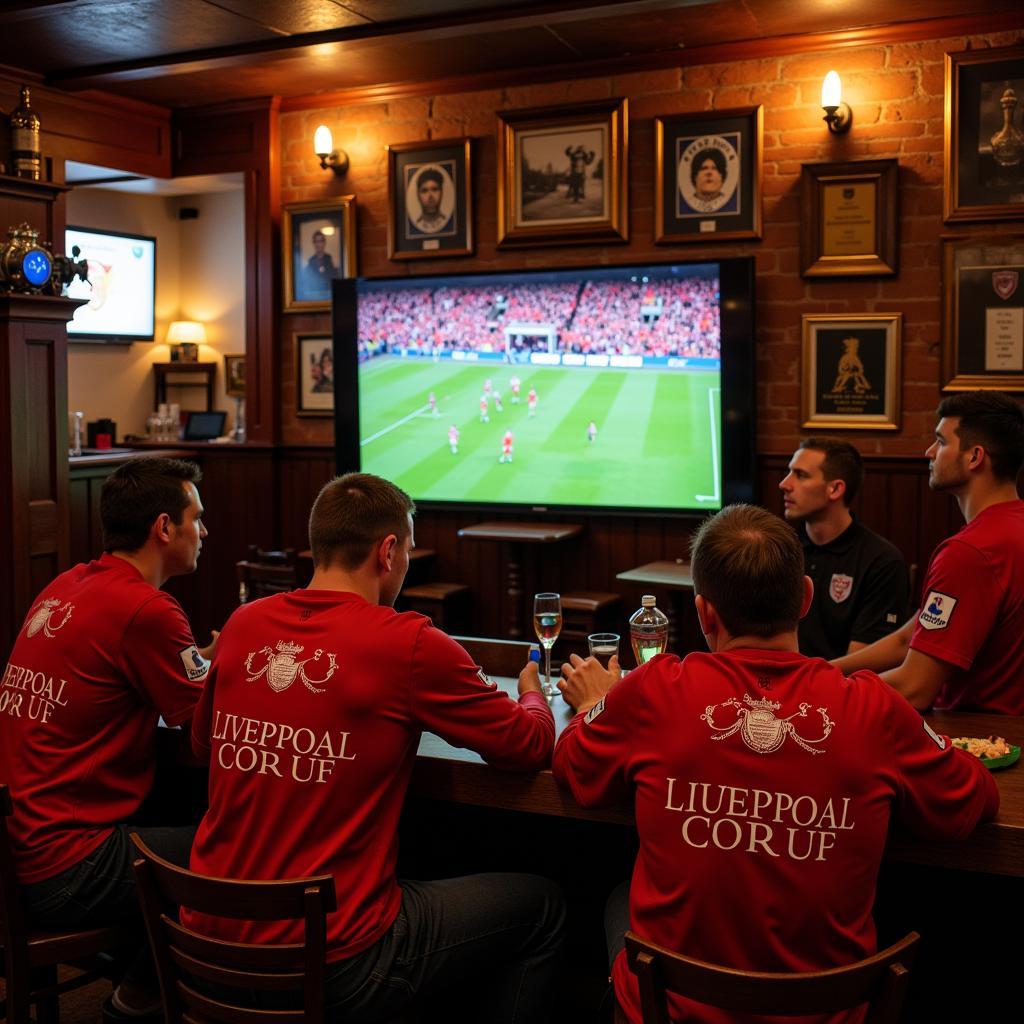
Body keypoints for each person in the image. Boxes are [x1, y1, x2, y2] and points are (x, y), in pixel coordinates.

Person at [552, 503, 997, 1024]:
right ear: (806, 599)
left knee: (616, 900)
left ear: (703, 612)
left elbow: (572, 763)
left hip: (671, 1013)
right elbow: (976, 799)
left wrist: (590, 705)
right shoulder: (877, 707)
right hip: (830, 1014)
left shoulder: (653, 688)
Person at [184, 473, 564, 1023]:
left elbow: (202, 746)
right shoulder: (408, 642)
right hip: (332, 962)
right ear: (388, 551)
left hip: (202, 947)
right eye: (407, 548)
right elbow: (527, 745)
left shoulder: (243, 624)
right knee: (544, 907)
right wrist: (532, 691)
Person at [0, 456, 214, 1018]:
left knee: (182, 815)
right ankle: (139, 997)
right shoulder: (146, 608)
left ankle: (146, 979)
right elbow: (204, 736)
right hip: (66, 865)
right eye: (197, 518)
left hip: (17, 848)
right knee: (240, 843)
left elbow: (140, 671)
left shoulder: (67, 585)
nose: (205, 532)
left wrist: (203, 661)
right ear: (164, 528)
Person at [834, 390, 1024, 714]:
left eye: (941, 441)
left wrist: (817, 691)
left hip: (979, 743)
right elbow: (909, 639)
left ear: (975, 457)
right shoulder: (1007, 529)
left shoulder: (970, 552)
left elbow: (914, 688)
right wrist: (823, 670)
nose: (929, 452)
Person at [779, 438, 907, 660]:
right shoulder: (779, 547)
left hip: (838, 688)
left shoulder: (882, 561)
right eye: (789, 472)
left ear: (835, 489)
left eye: (800, 475)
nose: (784, 484)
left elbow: (862, 662)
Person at [410, 166, 449, 234]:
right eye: (424, 191)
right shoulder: (416, 224)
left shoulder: (447, 221)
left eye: (434, 189)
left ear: (442, 192)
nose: (430, 195)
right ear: (418, 195)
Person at [302, 229, 336, 298]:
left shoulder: (328, 258)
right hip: (314, 296)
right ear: (314, 244)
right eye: (316, 241)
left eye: (321, 241)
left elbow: (332, 278)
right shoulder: (311, 261)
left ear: (324, 243)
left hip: (327, 295)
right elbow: (308, 283)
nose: (319, 244)